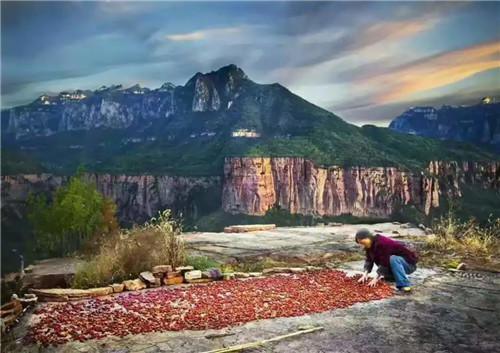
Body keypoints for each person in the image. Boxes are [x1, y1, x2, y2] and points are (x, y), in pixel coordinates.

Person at [355, 228, 418, 294]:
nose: (362, 244)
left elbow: (384, 262)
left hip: (408, 264)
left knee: (392, 259)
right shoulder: (370, 245)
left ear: (368, 237)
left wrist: (376, 279)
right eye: (360, 243)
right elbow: (369, 259)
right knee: (382, 258)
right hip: (397, 263)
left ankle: (405, 287)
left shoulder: (383, 243)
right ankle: (391, 277)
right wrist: (365, 274)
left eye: (362, 242)